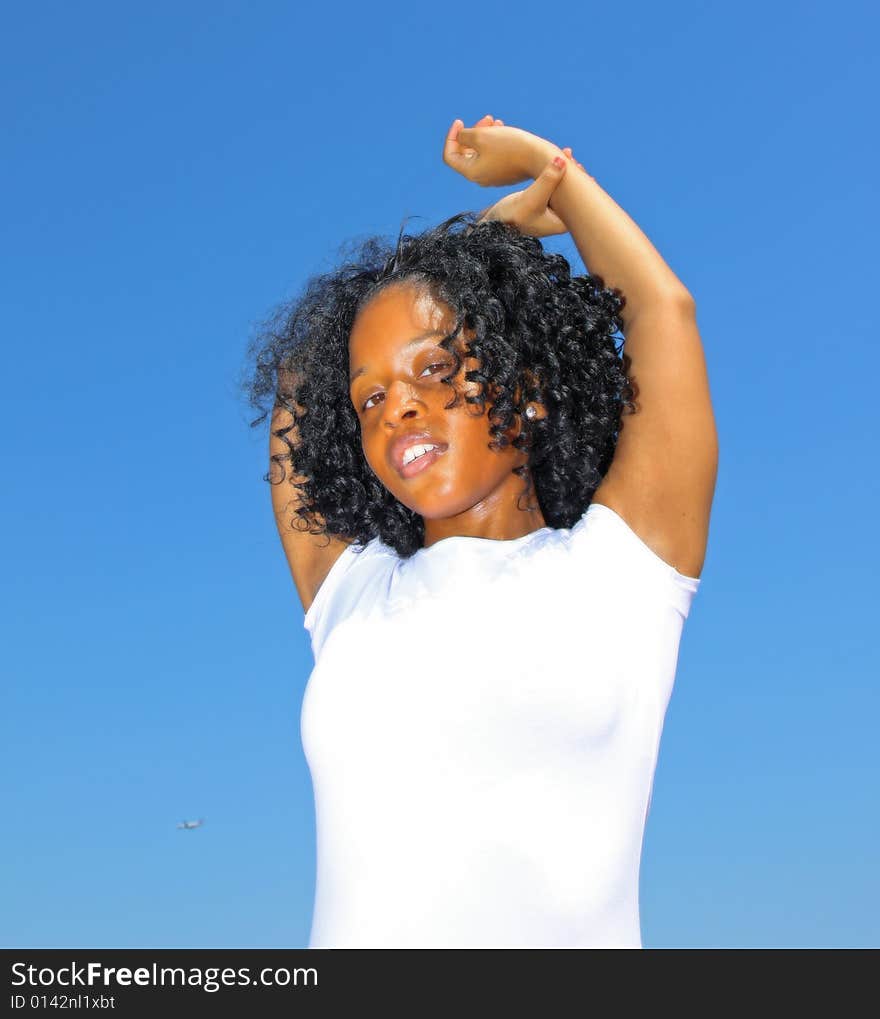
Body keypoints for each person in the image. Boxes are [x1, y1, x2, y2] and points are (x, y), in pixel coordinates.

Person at [242, 115, 718, 948]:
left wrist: (549, 174)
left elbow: (660, 311)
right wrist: (471, 248)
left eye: (434, 366)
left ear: (525, 383)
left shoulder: (624, 569)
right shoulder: (350, 597)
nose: (401, 408)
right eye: (371, 399)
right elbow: (299, 383)